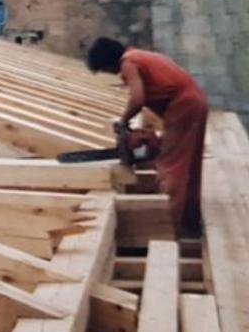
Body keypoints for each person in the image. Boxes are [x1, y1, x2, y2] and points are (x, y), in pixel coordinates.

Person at [87, 37, 209, 234]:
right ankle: (189, 220)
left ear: (108, 62)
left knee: (171, 164)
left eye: (104, 69)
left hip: (184, 106)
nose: (110, 73)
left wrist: (123, 121)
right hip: (195, 102)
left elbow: (137, 99)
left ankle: (168, 224)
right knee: (189, 163)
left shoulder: (128, 63)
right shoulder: (139, 55)